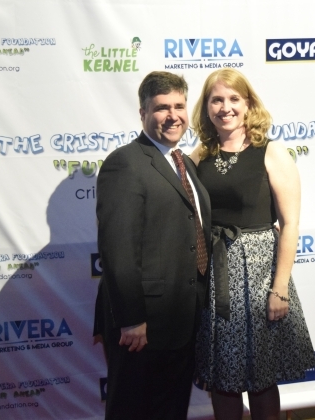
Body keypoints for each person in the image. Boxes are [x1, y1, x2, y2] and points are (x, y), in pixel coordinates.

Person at [190, 68, 315, 420]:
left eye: (234, 99)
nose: (225, 107)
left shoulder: (271, 152)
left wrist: (280, 289)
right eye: (216, 100)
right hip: (215, 276)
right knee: (222, 375)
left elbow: (289, 224)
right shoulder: (199, 154)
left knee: (261, 376)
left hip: (259, 274)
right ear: (206, 107)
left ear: (248, 104)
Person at [95, 71, 211, 420]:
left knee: (171, 409)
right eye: (162, 108)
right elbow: (118, 248)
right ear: (143, 112)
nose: (173, 115)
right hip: (143, 324)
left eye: (179, 106)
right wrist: (132, 320)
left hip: (182, 318)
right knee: (133, 410)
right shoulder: (125, 163)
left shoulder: (184, 162)